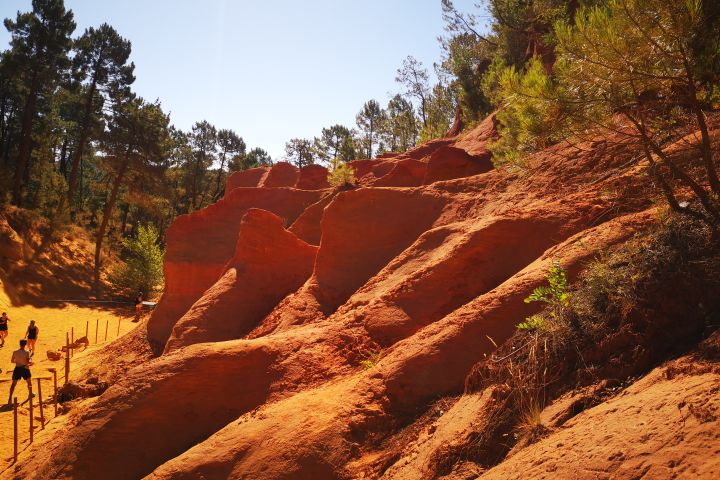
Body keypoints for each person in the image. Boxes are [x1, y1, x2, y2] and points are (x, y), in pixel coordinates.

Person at [7, 339, 33, 405]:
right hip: (25, 368)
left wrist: (18, 361)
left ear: (20, 344)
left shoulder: (15, 352)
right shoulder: (27, 352)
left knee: (13, 384)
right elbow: (28, 362)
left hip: (17, 368)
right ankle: (30, 393)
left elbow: (12, 361)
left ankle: (10, 398)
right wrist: (31, 362)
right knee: (29, 382)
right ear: (25, 345)